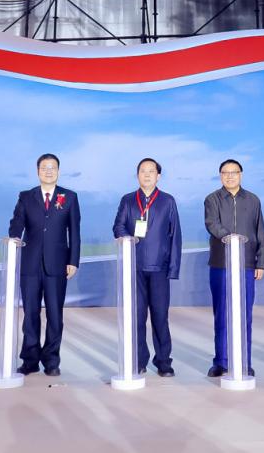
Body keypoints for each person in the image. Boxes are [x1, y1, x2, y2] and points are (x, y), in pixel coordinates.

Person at [9, 153, 81, 377]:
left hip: (57, 265)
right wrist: (13, 237)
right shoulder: (26, 196)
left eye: (52, 167)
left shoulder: (69, 197)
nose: (48, 171)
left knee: (55, 315)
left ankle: (51, 361)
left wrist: (73, 260)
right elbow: (17, 223)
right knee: (30, 313)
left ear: (58, 171)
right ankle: (30, 360)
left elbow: (75, 232)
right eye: (44, 167)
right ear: (37, 171)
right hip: (30, 265)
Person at [111, 157, 182, 377]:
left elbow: (175, 235)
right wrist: (127, 238)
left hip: (159, 268)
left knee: (160, 317)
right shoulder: (128, 200)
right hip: (135, 268)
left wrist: (173, 268)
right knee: (137, 316)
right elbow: (118, 226)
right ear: (137, 175)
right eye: (143, 171)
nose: (147, 174)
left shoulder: (167, 201)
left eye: (151, 171)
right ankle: (139, 360)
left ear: (158, 176)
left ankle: (163, 361)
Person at [203, 159, 264, 378]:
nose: (230, 176)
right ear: (220, 175)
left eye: (234, 172)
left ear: (241, 174)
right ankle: (221, 362)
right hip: (221, 264)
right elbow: (212, 224)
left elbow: (260, 231)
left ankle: (244, 361)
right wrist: (230, 238)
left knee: (244, 315)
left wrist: (261, 262)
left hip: (246, 264)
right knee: (222, 314)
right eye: (225, 172)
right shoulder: (212, 199)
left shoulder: (253, 200)